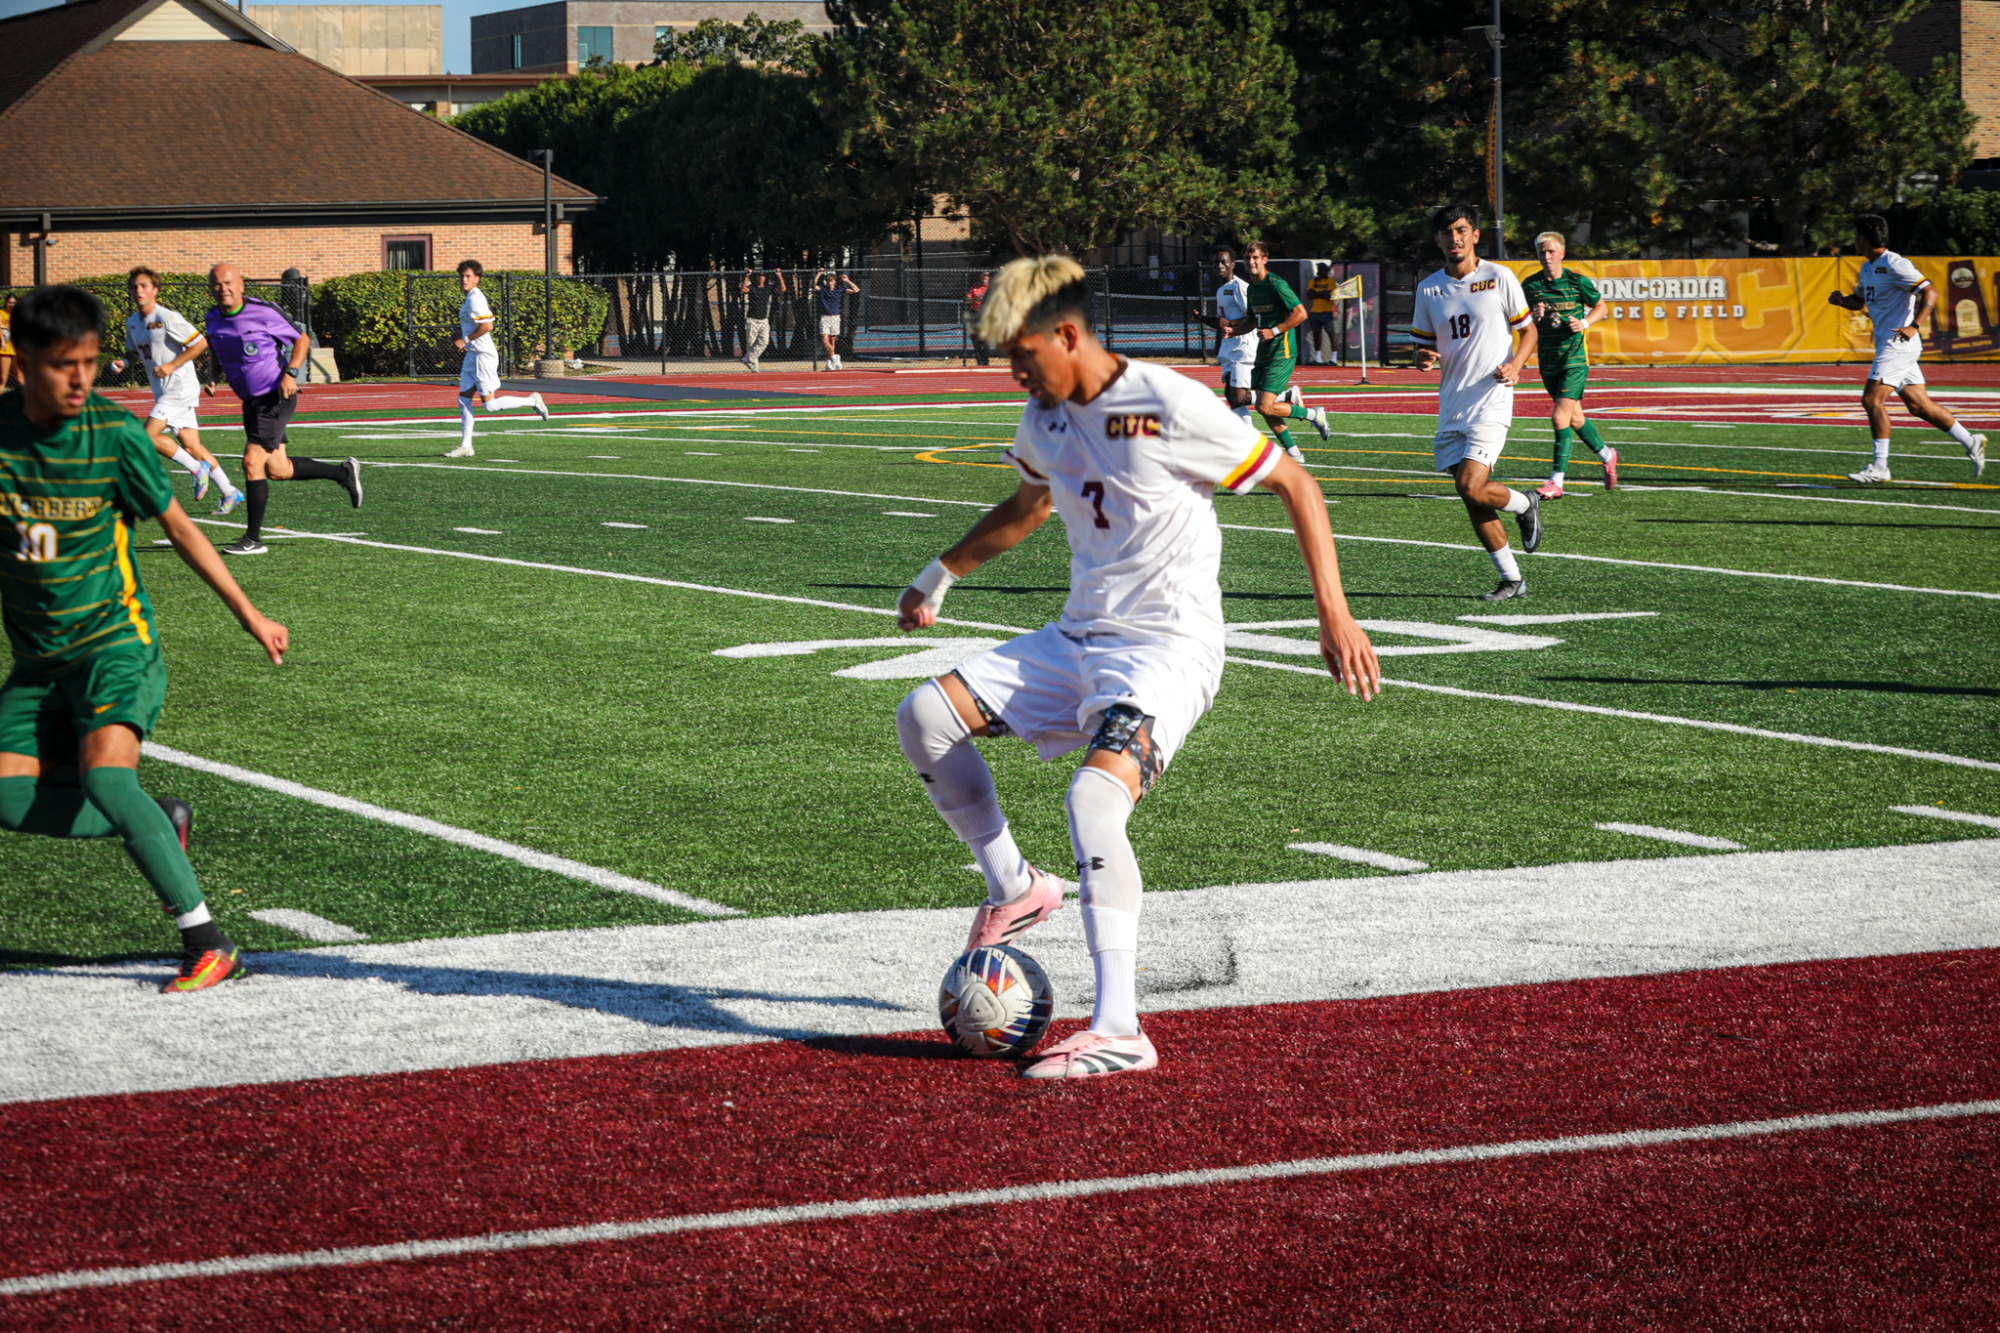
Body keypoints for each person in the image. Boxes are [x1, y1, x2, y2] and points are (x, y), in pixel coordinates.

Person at [891, 255, 1380, 1079]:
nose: (1014, 374)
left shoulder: (1164, 403)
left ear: (1071, 334)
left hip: (1168, 649)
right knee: (924, 716)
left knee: (1093, 797)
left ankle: (1120, 1026)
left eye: (1022, 354)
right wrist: (938, 575)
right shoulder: (1044, 419)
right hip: (1078, 638)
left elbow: (1295, 480)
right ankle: (1015, 886)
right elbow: (1029, 505)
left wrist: (1335, 612)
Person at [0, 285, 289, 992]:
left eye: (92, 362)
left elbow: (182, 530)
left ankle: (208, 940)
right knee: (5, 797)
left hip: (113, 647)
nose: (80, 379)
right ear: (24, 361)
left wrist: (248, 614)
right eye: (64, 363)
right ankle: (156, 822)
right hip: (39, 663)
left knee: (105, 775)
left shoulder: (115, 436)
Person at [1411, 203, 1543, 600]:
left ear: (1475, 235)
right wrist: (1423, 358)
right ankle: (1512, 579)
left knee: (1471, 485)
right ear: (1437, 239)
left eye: (1462, 230)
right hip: (1452, 403)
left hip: (1491, 399)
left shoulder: (1499, 277)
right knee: (1471, 496)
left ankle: (1523, 503)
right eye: (1448, 232)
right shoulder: (1429, 288)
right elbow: (1422, 347)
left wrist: (1516, 366)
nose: (1455, 238)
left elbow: (1529, 331)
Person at [203, 262, 362, 555]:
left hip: (275, 395)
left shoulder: (263, 311)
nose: (223, 289)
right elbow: (215, 347)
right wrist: (213, 376)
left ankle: (252, 539)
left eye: (228, 283)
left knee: (252, 462)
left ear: (240, 285)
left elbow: (300, 339)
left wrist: (291, 372)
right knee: (278, 469)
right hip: (251, 401)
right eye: (216, 284)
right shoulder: (212, 318)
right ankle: (343, 473)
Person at [1827, 214, 1986, 483]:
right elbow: (1859, 302)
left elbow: (1930, 292)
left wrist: (1915, 325)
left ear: (1863, 238)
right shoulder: (1868, 268)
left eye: (1856, 235)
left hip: (1898, 344)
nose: (1854, 240)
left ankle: (1880, 467)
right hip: (1892, 345)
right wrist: (1842, 301)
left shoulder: (1895, 264)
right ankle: (1971, 441)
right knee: (1918, 405)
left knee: (1871, 400)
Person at [109, 267, 243, 515]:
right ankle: (229, 491)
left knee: (147, 436)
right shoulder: (132, 323)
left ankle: (195, 469)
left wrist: (172, 365)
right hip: (162, 391)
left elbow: (200, 343)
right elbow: (132, 354)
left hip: (180, 387)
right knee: (193, 446)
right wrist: (123, 363)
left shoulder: (167, 317)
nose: (139, 291)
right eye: (134, 287)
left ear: (155, 290)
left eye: (144, 286)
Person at [1520, 233, 1618, 498]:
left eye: (1551, 251)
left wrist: (1584, 323)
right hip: (1548, 360)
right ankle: (1608, 455)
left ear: (1562, 253)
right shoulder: (1530, 286)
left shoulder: (1577, 281)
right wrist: (1533, 316)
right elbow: (1521, 321)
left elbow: (1601, 307)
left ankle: (1556, 481)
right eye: (1542, 252)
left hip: (1574, 360)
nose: (1547, 256)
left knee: (1559, 417)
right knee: (1574, 418)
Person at [1219, 241, 1330, 463]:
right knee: (1265, 408)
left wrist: (1276, 330)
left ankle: (1313, 414)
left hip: (1282, 351)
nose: (1251, 262)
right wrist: (1234, 330)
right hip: (1263, 352)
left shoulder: (1277, 284)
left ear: (1265, 259)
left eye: (1256, 258)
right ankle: (1294, 452)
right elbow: (1251, 320)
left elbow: (1300, 313)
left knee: (1264, 405)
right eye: (1248, 258)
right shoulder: (1252, 289)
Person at [445, 259, 548, 458]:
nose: (464, 280)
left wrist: (465, 340)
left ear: (477, 279)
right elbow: (475, 325)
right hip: (473, 356)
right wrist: (460, 334)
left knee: (489, 405)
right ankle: (466, 446)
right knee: (464, 398)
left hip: (483, 356)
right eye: (462, 276)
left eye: (468, 276)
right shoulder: (469, 298)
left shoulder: (475, 298)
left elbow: (487, 326)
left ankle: (532, 400)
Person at [1206, 247, 1257, 430]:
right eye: (1216, 262)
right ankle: (1248, 434)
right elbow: (1222, 323)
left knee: (1238, 397)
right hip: (1229, 348)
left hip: (1242, 346)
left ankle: (1286, 396)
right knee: (1231, 396)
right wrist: (1201, 318)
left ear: (1232, 265)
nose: (1219, 266)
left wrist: (1232, 324)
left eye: (1223, 262)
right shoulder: (1222, 290)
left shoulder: (1239, 287)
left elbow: (1253, 316)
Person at [740, 265, 786, 372]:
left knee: (764, 341)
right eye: (759, 276)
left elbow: (783, 289)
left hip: (763, 320)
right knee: (751, 344)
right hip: (752, 319)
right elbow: (743, 289)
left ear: (765, 278)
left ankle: (748, 358)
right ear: (756, 278)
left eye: (763, 276)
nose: (761, 278)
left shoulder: (768, 288)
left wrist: (779, 276)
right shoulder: (752, 288)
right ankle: (754, 366)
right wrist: (747, 276)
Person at [814, 268, 860, 370]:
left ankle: (829, 361)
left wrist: (848, 281)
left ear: (835, 281)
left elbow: (856, 290)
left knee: (832, 341)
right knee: (825, 339)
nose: (830, 283)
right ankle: (835, 357)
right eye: (828, 281)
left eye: (832, 281)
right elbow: (813, 286)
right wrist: (818, 274)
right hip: (825, 317)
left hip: (835, 317)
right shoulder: (823, 288)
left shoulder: (839, 289)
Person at [1304, 262, 1338, 365]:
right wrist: (1322, 293)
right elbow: (1309, 295)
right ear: (1320, 271)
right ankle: (1318, 358)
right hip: (1315, 311)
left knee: (1331, 334)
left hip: (1327, 311)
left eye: (1327, 271)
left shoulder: (1331, 281)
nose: (1326, 272)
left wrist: (1317, 293)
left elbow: (1329, 295)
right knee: (1316, 334)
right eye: (1325, 270)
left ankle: (1333, 359)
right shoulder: (1313, 281)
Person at [962, 270, 992, 366]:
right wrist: (976, 299)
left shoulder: (992, 286)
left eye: (986, 277)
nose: (984, 278)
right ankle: (979, 360)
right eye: (983, 276)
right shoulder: (974, 286)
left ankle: (986, 359)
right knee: (976, 338)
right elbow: (967, 300)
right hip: (976, 313)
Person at [0, 293, 15, 387]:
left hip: (16, 348)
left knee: (21, 378)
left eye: (13, 302)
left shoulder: (18, 315)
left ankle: (24, 401)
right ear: (6, 302)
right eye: (9, 302)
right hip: (5, 347)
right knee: (3, 378)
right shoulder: (1, 313)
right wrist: (2, 341)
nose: (11, 304)